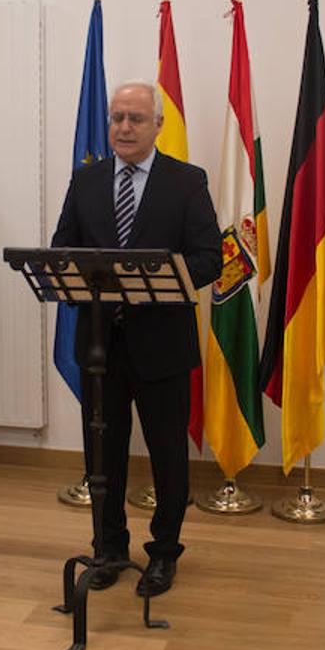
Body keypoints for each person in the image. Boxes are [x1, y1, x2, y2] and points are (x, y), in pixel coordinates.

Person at [50, 80, 221, 597]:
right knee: (102, 454)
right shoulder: (86, 181)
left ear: (157, 126)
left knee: (169, 454)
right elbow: (63, 250)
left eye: (135, 119)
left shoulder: (186, 181)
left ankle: (164, 553)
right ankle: (108, 549)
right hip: (100, 346)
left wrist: (151, 278)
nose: (124, 127)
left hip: (162, 343)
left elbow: (209, 257)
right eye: (117, 117)